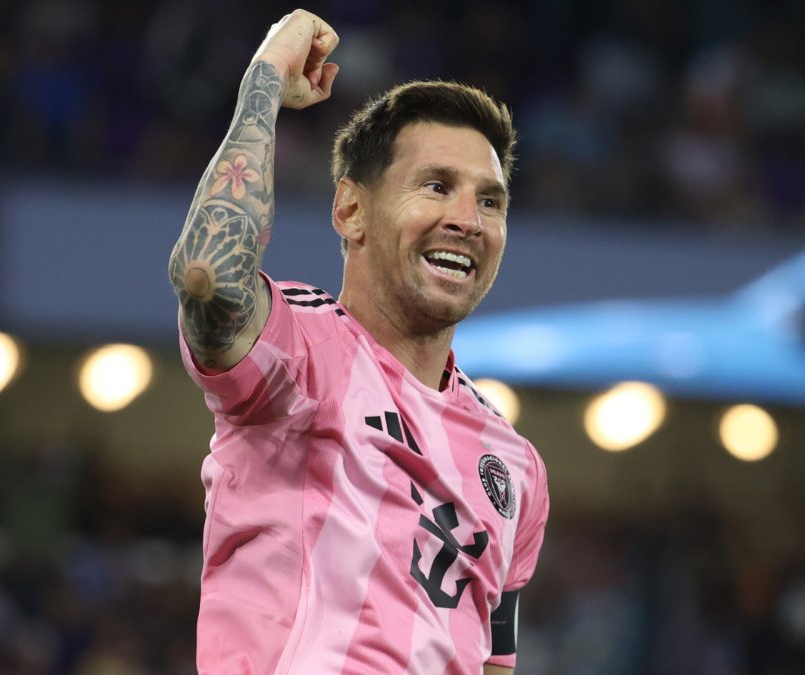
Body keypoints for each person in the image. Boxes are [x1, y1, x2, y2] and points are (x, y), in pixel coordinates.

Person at [168, 10, 549, 674]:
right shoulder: (302, 350)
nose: (467, 219)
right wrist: (263, 82)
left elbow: (493, 662)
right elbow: (209, 275)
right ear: (350, 210)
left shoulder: (514, 468)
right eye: (436, 187)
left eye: (491, 202)